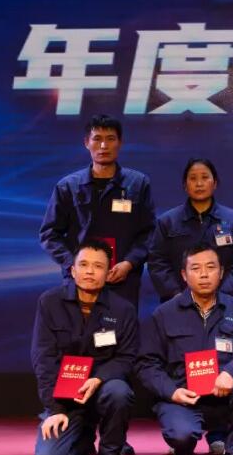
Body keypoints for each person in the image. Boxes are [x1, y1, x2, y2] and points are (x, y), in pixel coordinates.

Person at [137, 244, 233, 455]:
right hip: (183, 397)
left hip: (225, 395)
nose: (204, 274)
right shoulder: (165, 314)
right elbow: (146, 364)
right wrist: (172, 392)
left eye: (210, 267)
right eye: (196, 268)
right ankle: (183, 450)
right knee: (181, 435)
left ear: (221, 272)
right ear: (184, 275)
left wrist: (230, 372)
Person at [32, 239, 138, 455]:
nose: (90, 271)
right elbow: (44, 359)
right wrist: (56, 410)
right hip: (65, 396)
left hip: (102, 389)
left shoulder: (123, 310)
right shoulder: (50, 302)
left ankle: (110, 451)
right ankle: (82, 435)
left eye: (98, 266)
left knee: (119, 391)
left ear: (108, 273)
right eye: (84, 264)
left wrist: (98, 379)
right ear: (72, 270)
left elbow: (127, 357)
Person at [40, 114, 155, 312]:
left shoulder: (138, 184)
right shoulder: (68, 186)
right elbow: (49, 234)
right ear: (86, 143)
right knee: (78, 330)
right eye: (97, 139)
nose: (103, 146)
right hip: (79, 281)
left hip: (122, 280)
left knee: (120, 330)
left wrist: (129, 263)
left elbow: (150, 232)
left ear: (120, 143)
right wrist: (74, 265)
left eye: (110, 139)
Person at [147, 158, 233, 303]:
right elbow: (157, 262)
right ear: (185, 185)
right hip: (177, 303)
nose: (199, 184)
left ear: (215, 183)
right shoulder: (167, 222)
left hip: (224, 304)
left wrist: (221, 298)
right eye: (193, 178)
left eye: (205, 177)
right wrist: (176, 296)